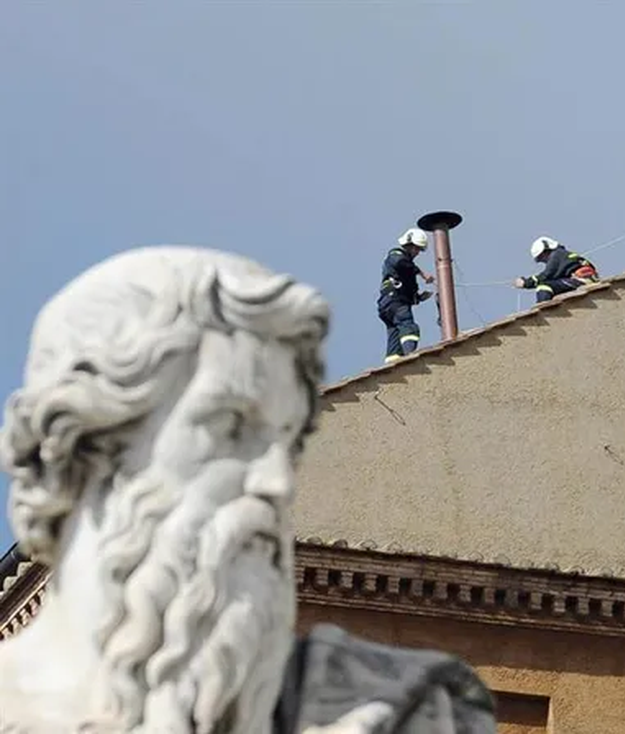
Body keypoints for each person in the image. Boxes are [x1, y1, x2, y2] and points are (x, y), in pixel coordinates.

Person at [0, 246, 497, 733]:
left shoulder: (409, 712)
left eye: (287, 442)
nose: (277, 483)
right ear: (79, 448)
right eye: (231, 428)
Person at [378, 228, 435, 363]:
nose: (417, 253)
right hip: (395, 301)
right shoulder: (396, 254)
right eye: (416, 248)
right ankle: (410, 358)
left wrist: (419, 297)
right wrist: (422, 274)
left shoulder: (407, 269)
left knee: (395, 335)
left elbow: (407, 287)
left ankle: (393, 365)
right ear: (408, 244)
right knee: (409, 327)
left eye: (419, 250)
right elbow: (400, 263)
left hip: (389, 305)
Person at [513, 236, 599, 303]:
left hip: (582, 280)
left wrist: (525, 283)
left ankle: (544, 313)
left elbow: (546, 275)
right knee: (554, 289)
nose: (543, 261)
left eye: (542, 257)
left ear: (547, 250)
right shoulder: (563, 255)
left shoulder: (557, 254)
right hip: (584, 280)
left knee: (544, 286)